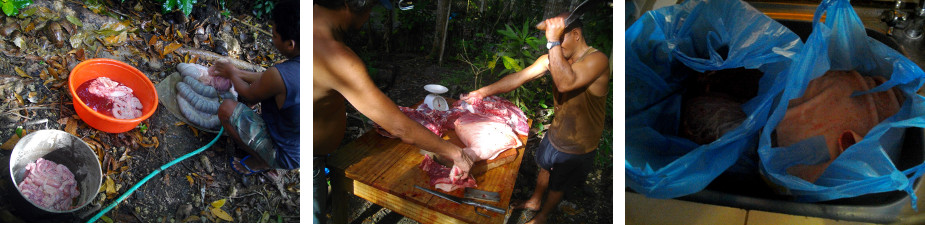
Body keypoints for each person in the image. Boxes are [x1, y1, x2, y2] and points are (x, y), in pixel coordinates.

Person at [313, 0, 475, 223]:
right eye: (371, 9)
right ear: (351, 5)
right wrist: (456, 153)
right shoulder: (335, 55)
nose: (370, 16)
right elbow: (399, 126)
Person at [464, 12, 609, 224]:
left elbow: (565, 83)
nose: (555, 46)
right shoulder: (555, 58)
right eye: (554, 41)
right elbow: (519, 77)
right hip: (556, 132)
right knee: (545, 166)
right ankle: (535, 201)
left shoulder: (597, 60)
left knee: (559, 183)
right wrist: (483, 92)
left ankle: (542, 216)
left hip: (578, 145)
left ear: (576, 34)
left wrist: (552, 42)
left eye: (560, 39)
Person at [211, 0, 300, 175]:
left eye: (274, 36)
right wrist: (236, 72)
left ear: (291, 44)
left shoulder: (280, 74)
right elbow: (267, 79)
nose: (272, 39)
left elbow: (249, 95)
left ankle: (263, 161)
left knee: (227, 109)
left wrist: (231, 73)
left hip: (286, 153)